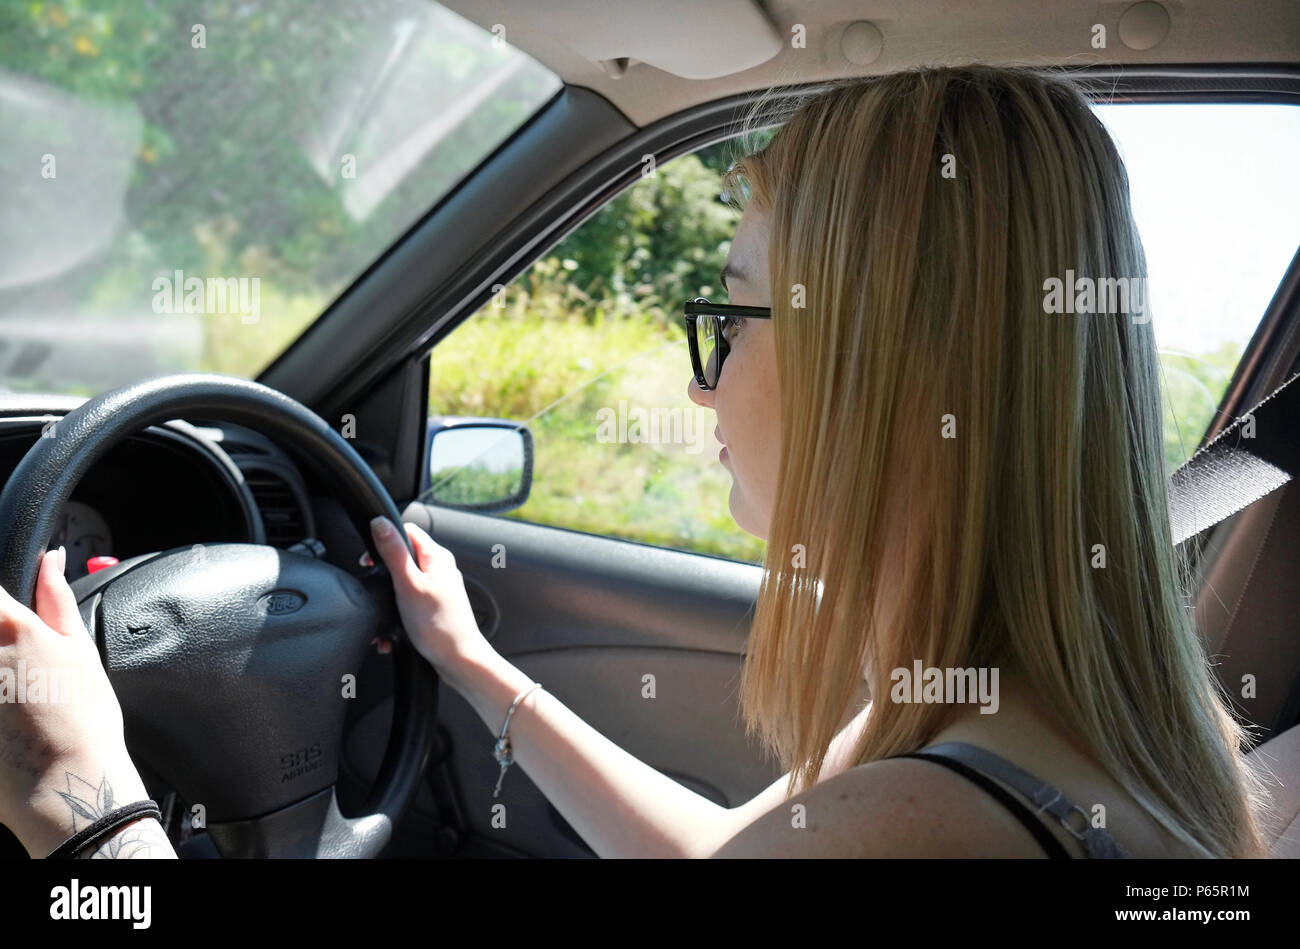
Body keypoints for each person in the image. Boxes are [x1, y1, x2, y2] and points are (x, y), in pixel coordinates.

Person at [0, 64, 1269, 858]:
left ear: (883, 369)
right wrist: (477, 667)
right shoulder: (1068, 733)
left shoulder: (918, 827)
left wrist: (87, 808)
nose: (694, 377)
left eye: (726, 316)